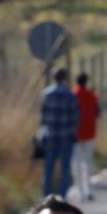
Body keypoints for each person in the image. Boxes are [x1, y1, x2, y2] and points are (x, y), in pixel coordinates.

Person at [39, 68, 78, 199]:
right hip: (65, 136)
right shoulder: (70, 95)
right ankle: (63, 195)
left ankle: (46, 195)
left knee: (48, 167)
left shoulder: (47, 94)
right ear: (64, 79)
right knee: (65, 168)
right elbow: (74, 118)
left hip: (50, 136)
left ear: (54, 78)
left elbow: (43, 117)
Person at [72, 72, 100, 200]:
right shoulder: (92, 96)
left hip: (75, 133)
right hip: (89, 133)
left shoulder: (73, 95)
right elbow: (97, 112)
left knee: (76, 162)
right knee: (88, 162)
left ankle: (79, 189)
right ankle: (88, 188)